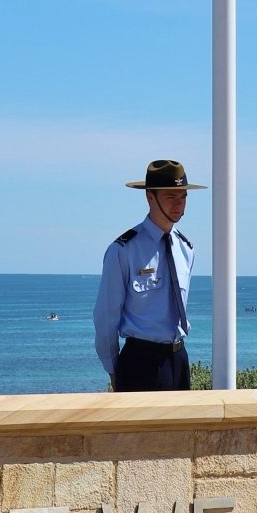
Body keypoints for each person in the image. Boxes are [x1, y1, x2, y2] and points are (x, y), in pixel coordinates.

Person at [93, 157, 204, 391]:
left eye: (183, 196)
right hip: (140, 362)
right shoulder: (123, 250)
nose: (179, 204)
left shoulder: (186, 249)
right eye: (171, 196)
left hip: (178, 358)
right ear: (149, 196)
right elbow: (105, 317)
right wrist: (114, 369)